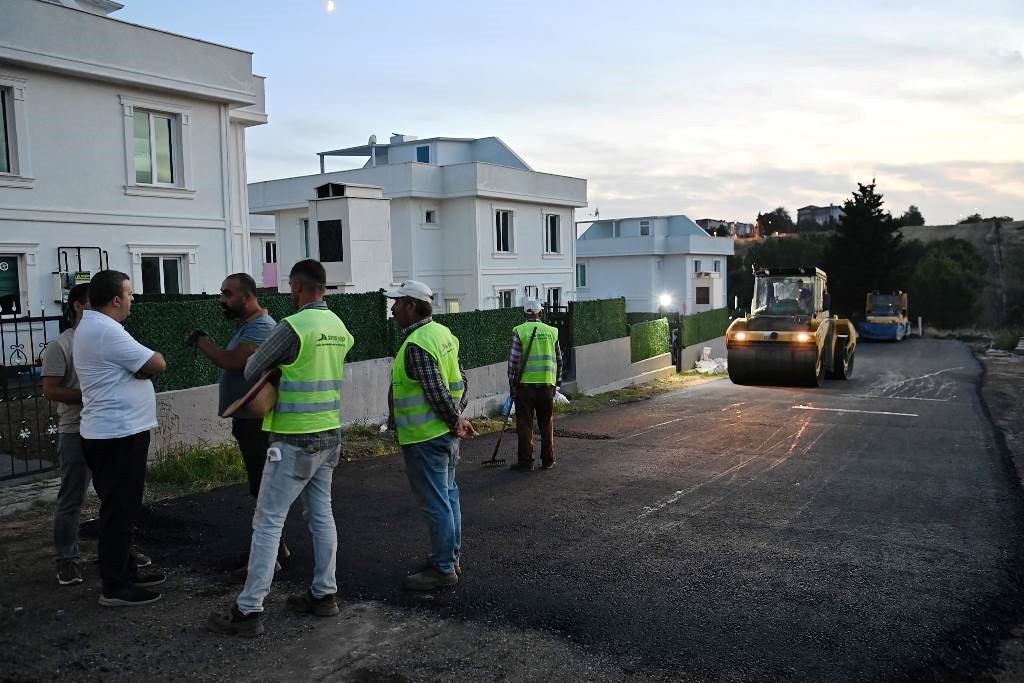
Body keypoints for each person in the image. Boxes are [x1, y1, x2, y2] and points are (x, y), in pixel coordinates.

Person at [207, 259, 354, 637]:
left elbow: (253, 367)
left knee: (268, 520)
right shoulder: (338, 326)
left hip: (294, 438)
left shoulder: (294, 325)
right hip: (329, 434)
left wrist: (278, 370)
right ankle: (324, 595)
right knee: (322, 515)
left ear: (297, 287)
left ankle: (249, 610)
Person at [74, 270, 167, 607]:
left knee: (121, 508)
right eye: (129, 294)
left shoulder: (96, 327)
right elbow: (157, 362)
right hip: (116, 435)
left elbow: (142, 366)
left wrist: (137, 368)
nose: (132, 299)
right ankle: (115, 586)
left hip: (112, 432)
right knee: (119, 511)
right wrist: (141, 368)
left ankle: (125, 571)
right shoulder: (106, 331)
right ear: (115, 299)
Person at [184, 274, 285, 574]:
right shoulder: (247, 327)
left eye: (228, 294)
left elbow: (231, 361)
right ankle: (276, 548)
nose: (222, 300)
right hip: (248, 420)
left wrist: (200, 341)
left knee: (262, 488)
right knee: (260, 488)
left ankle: (268, 558)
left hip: (258, 423)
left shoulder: (261, 328)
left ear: (248, 296)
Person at [386, 280, 477, 591]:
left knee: (437, 502)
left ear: (412, 305)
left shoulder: (418, 344)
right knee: (449, 497)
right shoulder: (443, 334)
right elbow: (462, 380)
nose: (393, 308)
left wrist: (454, 420)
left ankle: (443, 568)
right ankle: (449, 558)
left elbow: (437, 393)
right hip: (443, 435)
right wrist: (458, 418)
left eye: (397, 302)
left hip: (425, 437)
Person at [42, 284, 91, 586]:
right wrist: (91, 395)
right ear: (76, 306)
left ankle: (121, 552)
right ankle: (67, 560)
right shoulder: (61, 345)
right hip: (76, 430)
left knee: (116, 496)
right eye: (91, 302)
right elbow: (50, 389)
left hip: (108, 429)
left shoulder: (108, 341)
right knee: (72, 499)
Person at [508, 299, 563, 472]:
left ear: (524, 314)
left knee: (525, 424)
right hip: (547, 386)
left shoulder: (519, 331)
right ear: (541, 313)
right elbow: (559, 360)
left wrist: (512, 384)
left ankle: (526, 462)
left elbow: (514, 361)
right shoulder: (552, 331)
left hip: (525, 387)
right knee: (546, 423)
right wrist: (557, 384)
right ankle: (548, 460)